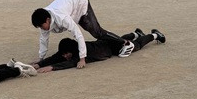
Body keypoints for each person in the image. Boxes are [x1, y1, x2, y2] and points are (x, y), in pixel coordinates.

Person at [31, 0, 123, 69]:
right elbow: (43, 40)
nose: (41, 29)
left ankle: (124, 42)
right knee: (96, 34)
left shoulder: (62, 18)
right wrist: (40, 60)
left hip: (80, 2)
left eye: (41, 26)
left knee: (97, 32)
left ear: (48, 20)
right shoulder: (43, 20)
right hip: (71, 8)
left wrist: (82, 58)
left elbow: (78, 35)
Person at [36, 26, 166, 72]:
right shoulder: (72, 48)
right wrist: (39, 64)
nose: (64, 56)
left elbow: (70, 63)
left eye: (66, 54)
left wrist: (52, 68)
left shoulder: (80, 54)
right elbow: (56, 57)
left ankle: (155, 35)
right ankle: (135, 33)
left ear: (72, 51)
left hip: (111, 49)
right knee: (119, 38)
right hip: (103, 43)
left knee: (136, 46)